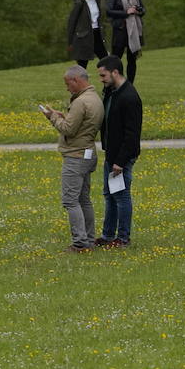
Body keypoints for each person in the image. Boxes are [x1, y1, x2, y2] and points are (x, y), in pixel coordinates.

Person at [42, 65, 104, 253]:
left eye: (67, 84)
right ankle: (89, 239)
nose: (67, 88)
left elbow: (68, 129)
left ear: (76, 80)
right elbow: (79, 124)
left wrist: (52, 117)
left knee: (70, 201)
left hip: (75, 156)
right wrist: (65, 117)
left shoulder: (80, 102)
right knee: (84, 199)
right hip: (88, 153)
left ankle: (80, 243)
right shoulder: (94, 98)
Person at [95, 55, 142, 248]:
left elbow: (132, 134)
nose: (101, 79)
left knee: (121, 196)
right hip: (111, 154)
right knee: (109, 194)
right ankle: (107, 235)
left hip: (121, 158)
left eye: (103, 75)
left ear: (115, 72)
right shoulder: (112, 92)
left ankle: (122, 238)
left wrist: (120, 162)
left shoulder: (129, 96)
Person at [105, 0, 146, 83]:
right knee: (116, 60)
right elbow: (108, 11)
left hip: (134, 32)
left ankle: (130, 86)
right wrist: (126, 12)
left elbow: (143, 9)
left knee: (132, 60)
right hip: (121, 30)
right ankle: (113, 84)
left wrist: (139, 11)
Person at [66, 0, 108, 69]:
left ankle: (109, 82)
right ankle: (80, 83)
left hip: (97, 34)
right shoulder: (80, 2)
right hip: (84, 37)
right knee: (82, 65)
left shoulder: (96, 0)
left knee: (106, 61)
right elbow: (72, 22)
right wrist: (70, 42)